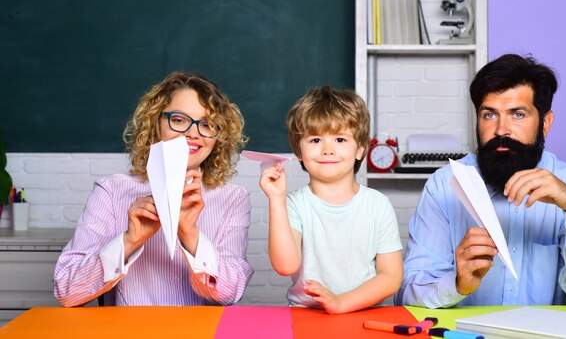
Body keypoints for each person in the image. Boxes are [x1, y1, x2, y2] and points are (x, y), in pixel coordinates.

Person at [396, 54, 566, 310]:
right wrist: (456, 284)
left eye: (518, 115)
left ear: (545, 124)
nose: (501, 130)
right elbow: (406, 296)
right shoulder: (443, 186)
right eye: (489, 115)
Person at [54, 71, 253, 307]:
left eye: (207, 124)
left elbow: (230, 294)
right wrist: (130, 240)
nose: (193, 133)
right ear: (155, 124)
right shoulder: (111, 191)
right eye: (179, 120)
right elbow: (66, 291)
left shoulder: (233, 198)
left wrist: (190, 234)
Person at [259, 86, 403, 314]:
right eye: (315, 140)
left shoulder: (378, 205)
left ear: (360, 149)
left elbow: (391, 277)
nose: (327, 150)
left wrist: (341, 303)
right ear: (299, 152)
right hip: (306, 315)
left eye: (340, 139)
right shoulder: (294, 205)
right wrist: (276, 199)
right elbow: (285, 266)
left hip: (364, 313)